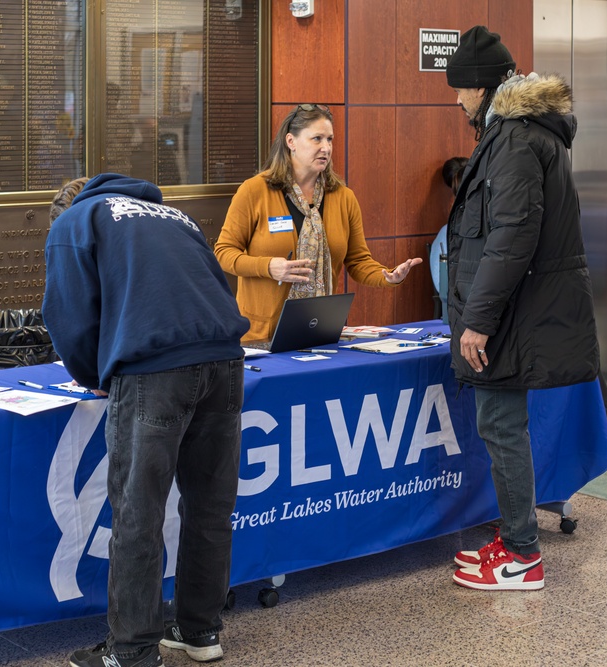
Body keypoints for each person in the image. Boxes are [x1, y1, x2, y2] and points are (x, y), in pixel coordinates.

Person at [43, 173, 250, 667]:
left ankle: (131, 652)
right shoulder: (174, 216)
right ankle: (199, 631)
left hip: (155, 371)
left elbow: (67, 314)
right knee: (208, 506)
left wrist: (93, 374)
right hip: (225, 361)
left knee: (139, 513)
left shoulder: (75, 221)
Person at [442, 27, 601, 591]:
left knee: (501, 426)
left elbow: (510, 238)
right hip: (518, 310)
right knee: (502, 425)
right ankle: (514, 538)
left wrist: (478, 320)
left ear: (481, 88)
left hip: (509, 317)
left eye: (460, 89)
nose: (456, 99)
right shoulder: (529, 134)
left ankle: (521, 554)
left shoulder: (512, 140)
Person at [439, 155, 607, 452]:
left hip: (515, 308)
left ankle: (606, 419)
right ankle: (602, 427)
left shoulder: (504, 219)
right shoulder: (456, 236)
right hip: (487, 319)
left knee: (575, 351)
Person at [214, 103, 423, 342]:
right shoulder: (254, 191)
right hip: (262, 336)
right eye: (317, 139)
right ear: (290, 141)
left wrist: (387, 276)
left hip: (319, 331)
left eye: (330, 139)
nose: (326, 148)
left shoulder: (343, 197)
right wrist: (269, 267)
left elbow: (358, 261)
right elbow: (223, 253)